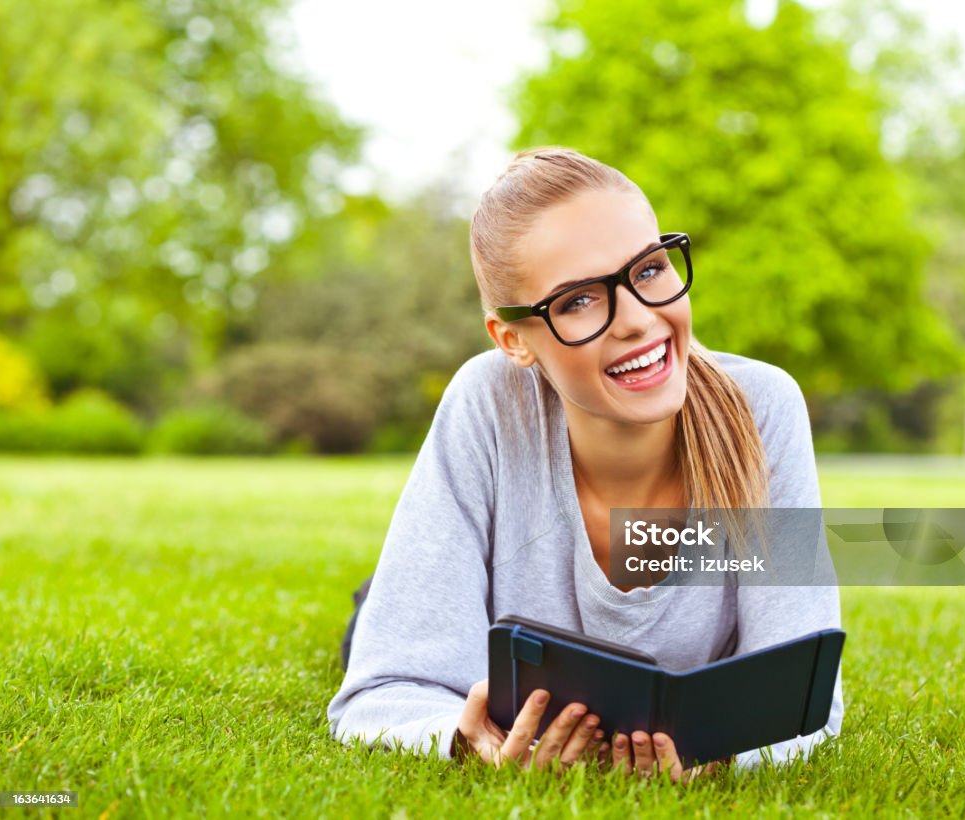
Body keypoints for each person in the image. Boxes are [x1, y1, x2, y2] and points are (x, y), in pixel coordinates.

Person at [326, 147, 842, 781]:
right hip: (473, 620)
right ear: (512, 339)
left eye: (649, 270)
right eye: (577, 302)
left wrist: (716, 761)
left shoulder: (762, 407)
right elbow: (381, 694)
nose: (637, 319)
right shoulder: (487, 400)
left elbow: (805, 699)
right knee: (385, 614)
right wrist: (467, 740)